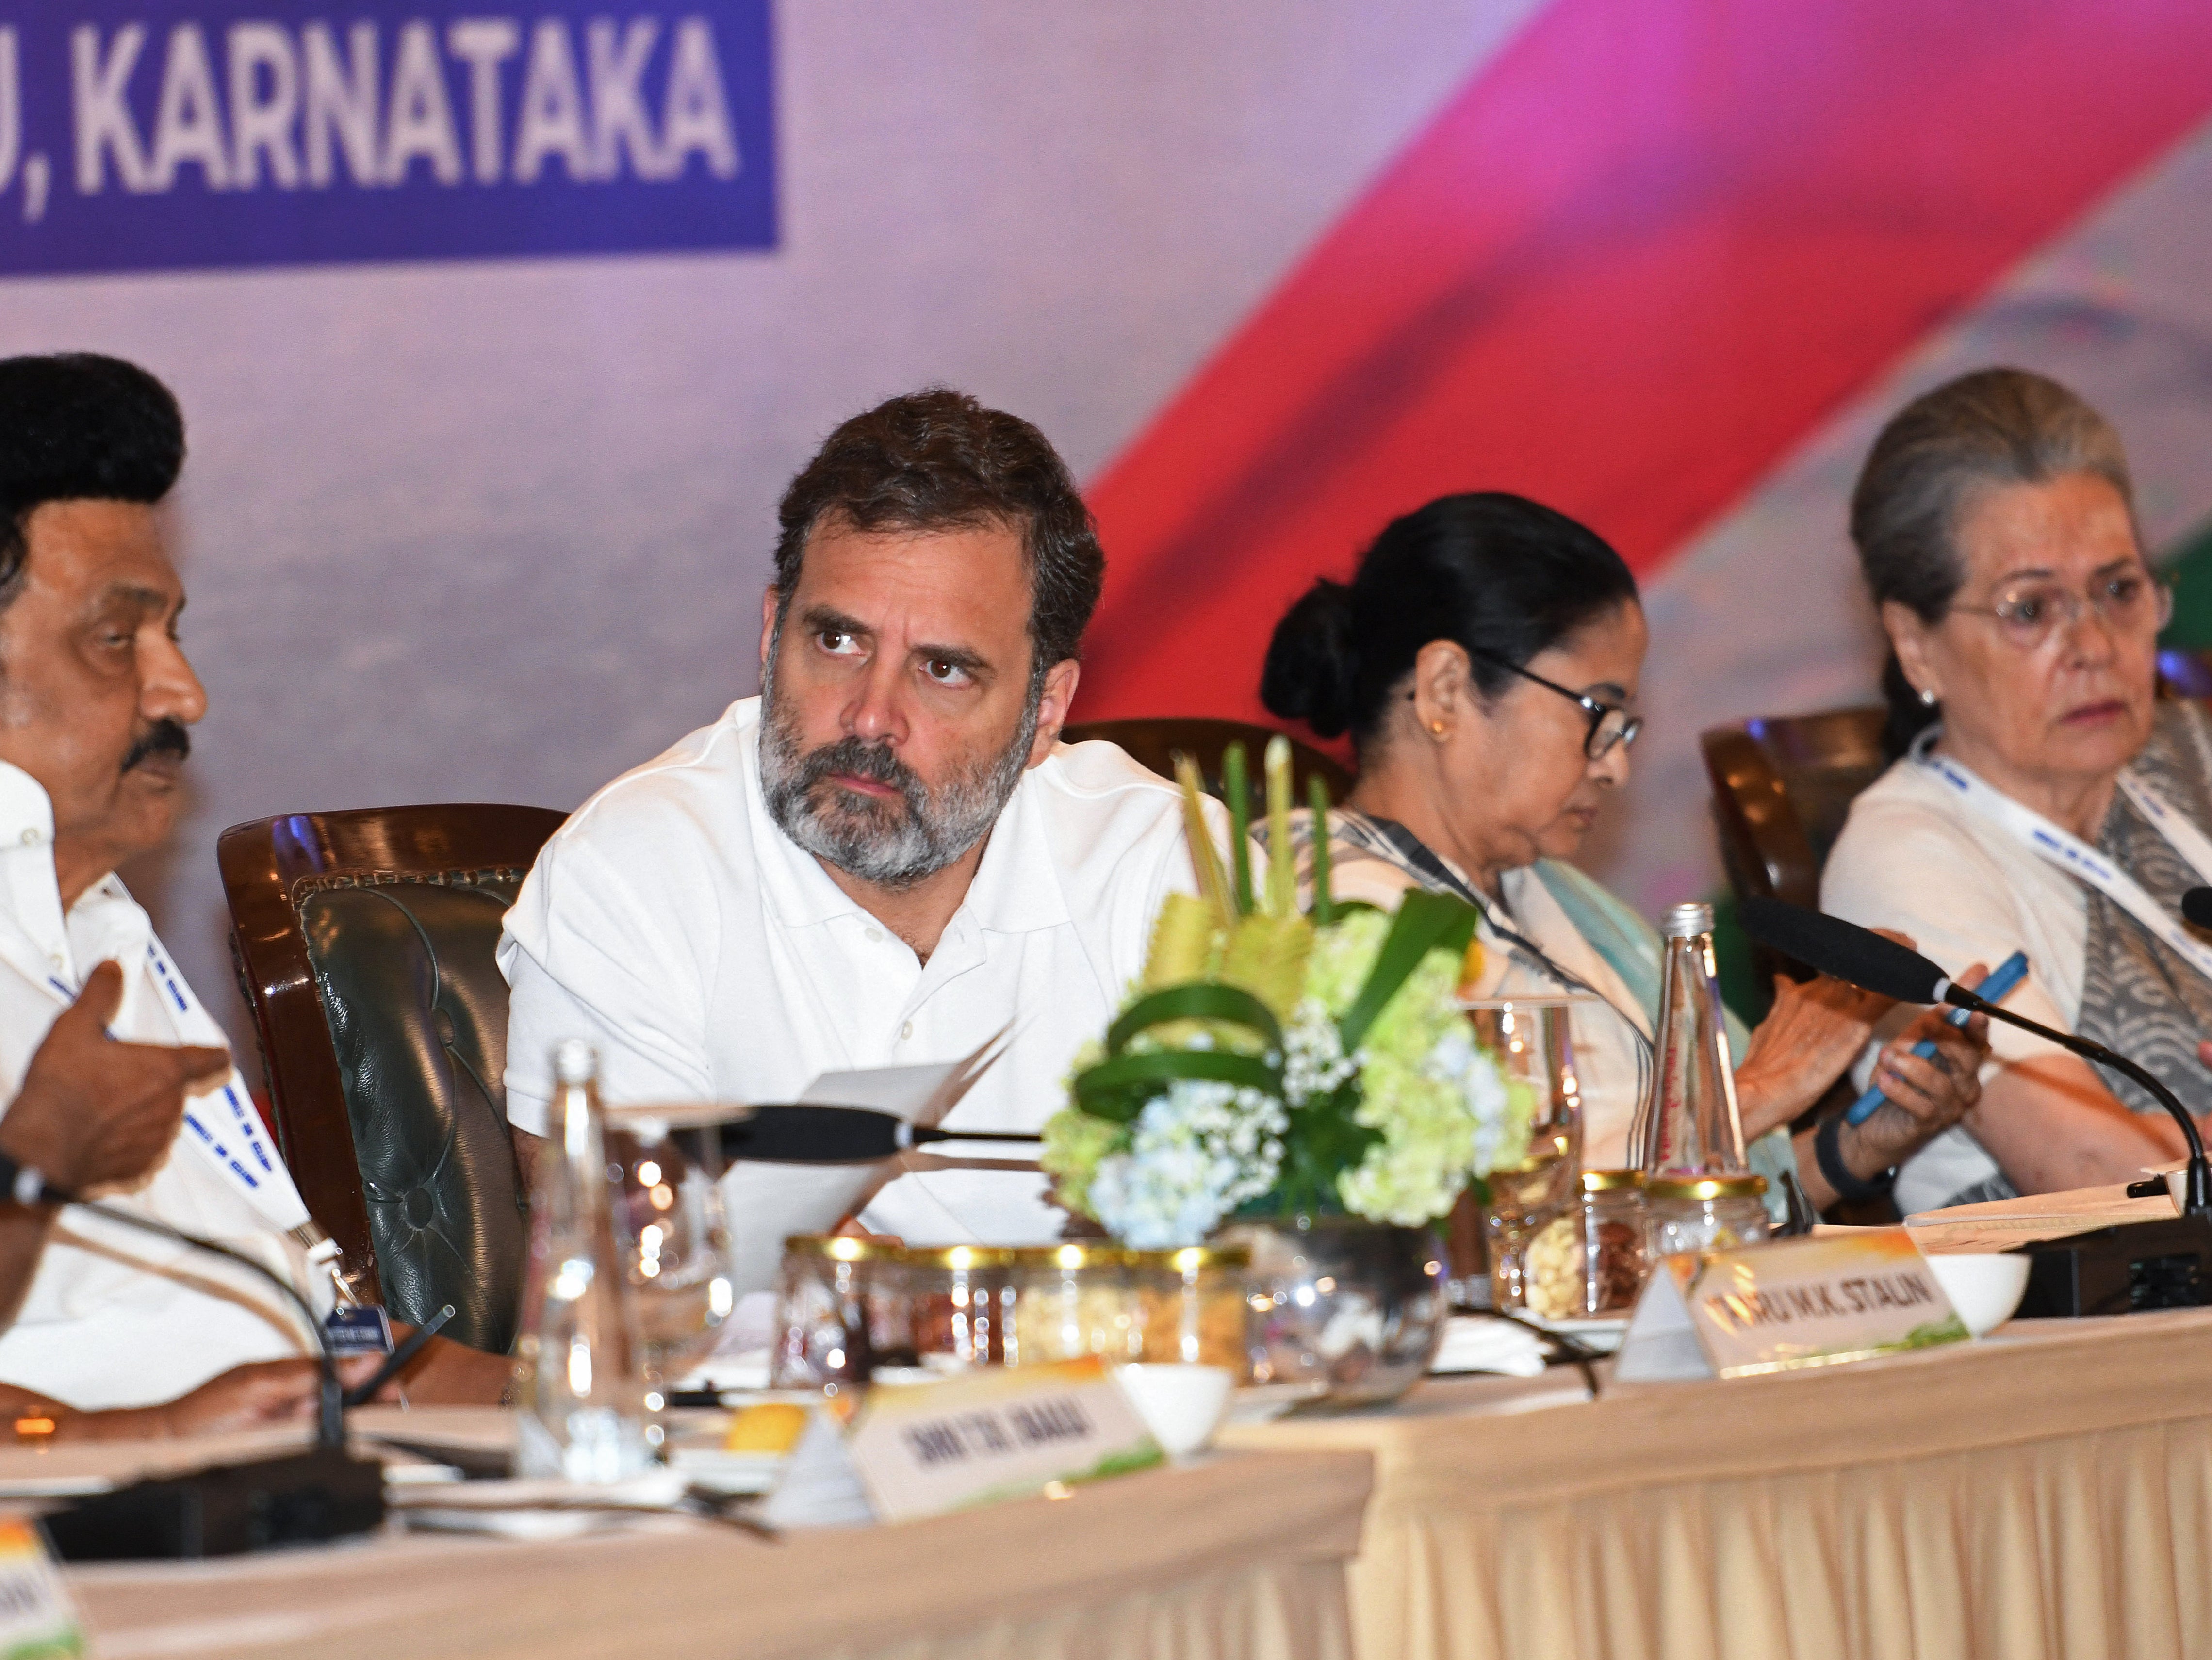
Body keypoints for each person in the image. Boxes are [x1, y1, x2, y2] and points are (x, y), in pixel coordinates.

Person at [501, 390, 1218, 1272]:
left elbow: (1274, 1237)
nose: (871, 716)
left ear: (1046, 710)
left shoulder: (1163, 865)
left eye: (944, 669)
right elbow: (623, 1286)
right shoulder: (631, 873)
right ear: (771, 636)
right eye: (837, 641)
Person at [0, 353, 501, 1432]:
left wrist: (658, 1383)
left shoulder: (98, 928)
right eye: (114, 639)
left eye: (171, 631)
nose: (186, 691)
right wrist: (33, 1169)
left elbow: (353, 1367)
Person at [1259, 492, 1990, 1216]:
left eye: (1624, 728)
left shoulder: (1550, 897)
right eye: (1597, 715)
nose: (1615, 768)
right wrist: (1758, 1090)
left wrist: (1855, 1148)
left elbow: (1676, 1198)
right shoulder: (1331, 915)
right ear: (1446, 689)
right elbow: (1488, 1219)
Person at [1823, 368, 2212, 1212]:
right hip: (2104, 1332)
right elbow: (2096, 1173)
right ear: (1915, 645)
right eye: (2031, 610)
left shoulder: (2195, 756)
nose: (2095, 645)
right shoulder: (1903, 858)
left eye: (2118, 590)